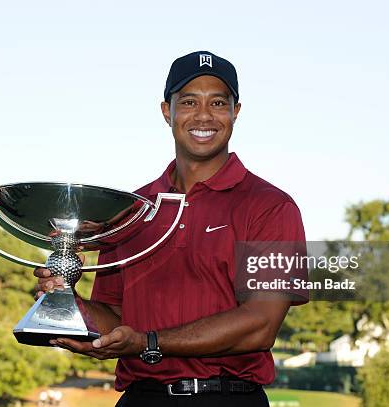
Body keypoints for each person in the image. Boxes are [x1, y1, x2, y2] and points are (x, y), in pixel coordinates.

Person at [34, 50, 308, 407]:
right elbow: (115, 318)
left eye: (219, 103)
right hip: (141, 399)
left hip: (226, 398)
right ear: (167, 111)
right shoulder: (130, 209)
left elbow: (261, 324)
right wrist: (68, 303)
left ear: (236, 112)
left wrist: (148, 342)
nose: (205, 115)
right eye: (190, 101)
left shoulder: (271, 206)